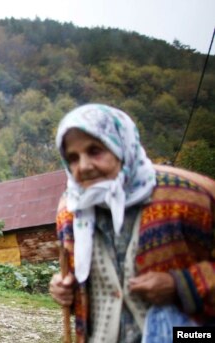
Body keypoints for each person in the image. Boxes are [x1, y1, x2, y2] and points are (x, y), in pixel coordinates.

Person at [48, 104, 215, 342]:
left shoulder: (189, 195)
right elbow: (88, 290)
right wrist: (65, 290)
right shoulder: (71, 211)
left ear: (123, 145)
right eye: (73, 158)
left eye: (95, 150)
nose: (83, 166)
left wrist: (181, 284)